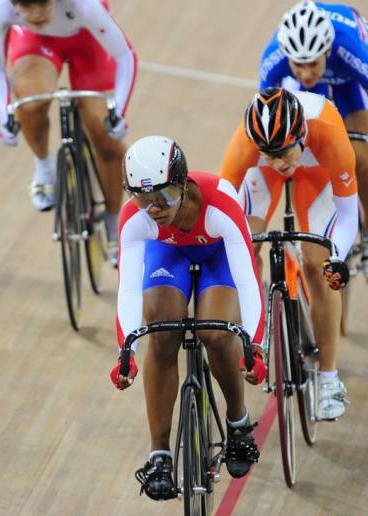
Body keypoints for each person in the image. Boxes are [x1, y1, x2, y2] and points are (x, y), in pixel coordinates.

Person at [109, 135, 267, 500]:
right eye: (143, 200)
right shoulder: (136, 218)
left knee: (216, 333)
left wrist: (254, 345)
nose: (156, 208)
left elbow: (246, 279)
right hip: (169, 257)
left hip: (219, 257)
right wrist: (126, 350)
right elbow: (129, 288)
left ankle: (238, 421)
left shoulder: (221, 202)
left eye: (164, 196)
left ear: (183, 183)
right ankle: (160, 454)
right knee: (161, 336)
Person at [221, 87, 358, 421]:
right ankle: (257, 324)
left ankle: (328, 378)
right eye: (267, 152)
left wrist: (336, 256)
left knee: (316, 265)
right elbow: (224, 206)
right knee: (246, 243)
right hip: (262, 181)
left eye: (282, 152)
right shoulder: (248, 141)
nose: (277, 161)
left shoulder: (327, 130)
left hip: (316, 172)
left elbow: (348, 215)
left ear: (300, 135)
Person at [258, 0, 368, 283]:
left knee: (366, 158)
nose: (306, 73)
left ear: (326, 51)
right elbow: (264, 115)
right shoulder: (274, 58)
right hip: (320, 75)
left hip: (348, 77)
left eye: (312, 63)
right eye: (298, 65)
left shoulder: (348, 49)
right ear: (288, 56)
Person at [0, 0, 137, 266]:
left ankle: (114, 222)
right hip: (36, 46)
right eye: (26, 11)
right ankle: (44, 168)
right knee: (30, 104)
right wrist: (6, 115)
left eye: (41, 9)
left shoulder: (84, 6)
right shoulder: (1, 7)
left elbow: (126, 56)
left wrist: (119, 111)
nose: (35, 16)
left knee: (107, 141)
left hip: (86, 41)